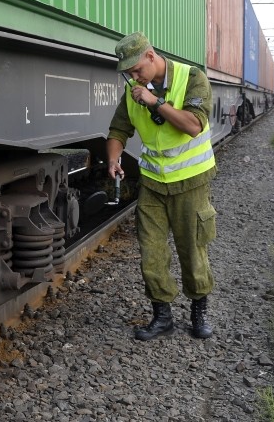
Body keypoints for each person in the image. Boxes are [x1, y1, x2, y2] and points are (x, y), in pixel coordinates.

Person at [106, 31, 217, 340]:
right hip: (153, 183)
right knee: (151, 252)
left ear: (151, 56)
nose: (133, 76)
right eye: (128, 72)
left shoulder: (192, 78)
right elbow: (118, 130)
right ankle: (162, 317)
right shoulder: (134, 92)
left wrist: (155, 102)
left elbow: (194, 125)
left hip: (191, 182)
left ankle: (198, 313)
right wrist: (114, 159)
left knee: (192, 250)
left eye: (137, 69)